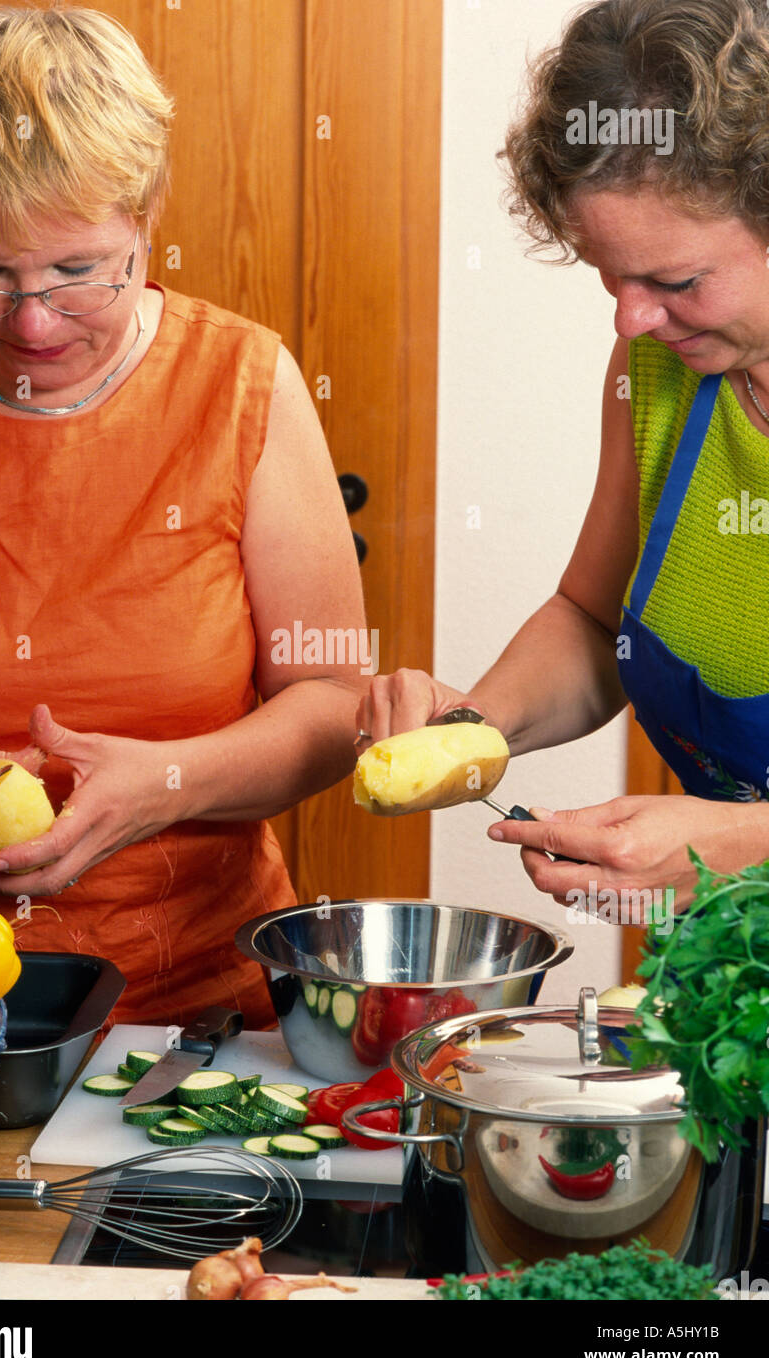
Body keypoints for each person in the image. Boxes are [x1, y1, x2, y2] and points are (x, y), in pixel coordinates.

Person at [0, 7, 367, 1026]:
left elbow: (331, 704)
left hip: (202, 1015)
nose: (33, 322)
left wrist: (173, 780)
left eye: (75, 271)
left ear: (147, 217)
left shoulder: (244, 383)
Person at [356, 0, 769, 914]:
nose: (631, 320)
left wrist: (737, 843)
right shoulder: (659, 367)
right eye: (609, 277)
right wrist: (471, 729)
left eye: (676, 281)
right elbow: (592, 621)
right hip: (730, 970)